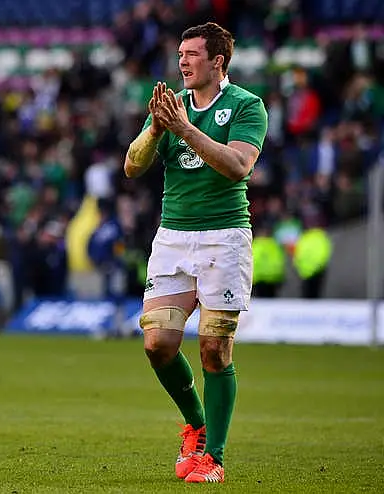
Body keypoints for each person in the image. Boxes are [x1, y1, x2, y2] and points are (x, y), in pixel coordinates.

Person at [123, 23, 268, 483]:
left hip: (224, 238)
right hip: (173, 238)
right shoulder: (170, 107)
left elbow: (239, 166)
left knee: (213, 349)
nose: (183, 61)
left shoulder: (246, 106)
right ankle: (197, 424)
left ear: (218, 61)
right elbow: (132, 165)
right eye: (180, 54)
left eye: (192, 54)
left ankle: (215, 460)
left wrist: (184, 130)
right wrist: (155, 131)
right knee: (157, 343)